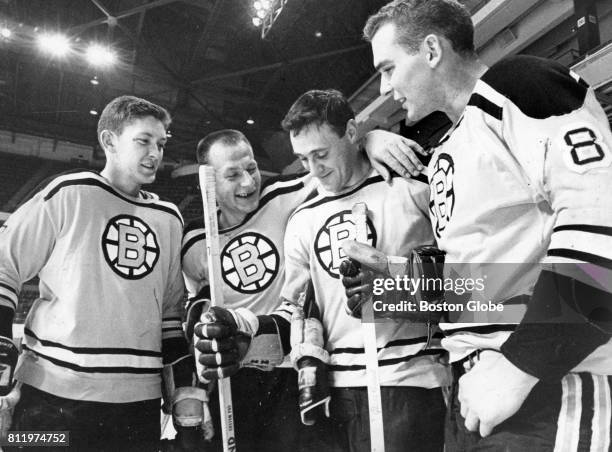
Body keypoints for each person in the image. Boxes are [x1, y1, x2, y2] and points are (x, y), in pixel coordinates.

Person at [342, 0, 612, 451]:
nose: (384, 89)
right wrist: (394, 288)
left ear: (431, 50)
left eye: (388, 69)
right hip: (477, 391)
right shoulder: (453, 144)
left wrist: (520, 366)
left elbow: (602, 223)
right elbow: (487, 283)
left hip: (547, 386)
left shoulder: (521, 84)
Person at [193, 89, 449, 452]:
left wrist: (399, 287)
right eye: (303, 159)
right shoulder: (303, 218)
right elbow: (293, 313)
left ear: (349, 131)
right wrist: (244, 330)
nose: (314, 170)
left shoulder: (413, 188)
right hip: (332, 399)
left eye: (322, 154)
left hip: (410, 385)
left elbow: (481, 288)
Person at [0, 96, 206, 451]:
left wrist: (183, 390)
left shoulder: (170, 218)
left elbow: (170, 316)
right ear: (109, 141)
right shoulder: (69, 193)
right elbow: (5, 266)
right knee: (28, 447)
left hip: (137, 407)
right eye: (143, 140)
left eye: (161, 143)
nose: (155, 152)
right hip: (49, 400)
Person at [182, 129, 322, 452]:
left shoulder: (286, 194)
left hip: (286, 368)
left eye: (252, 168)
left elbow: (338, 162)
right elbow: (196, 307)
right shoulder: (193, 241)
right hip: (234, 376)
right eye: (232, 175)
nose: (248, 182)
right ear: (209, 183)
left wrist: (373, 141)